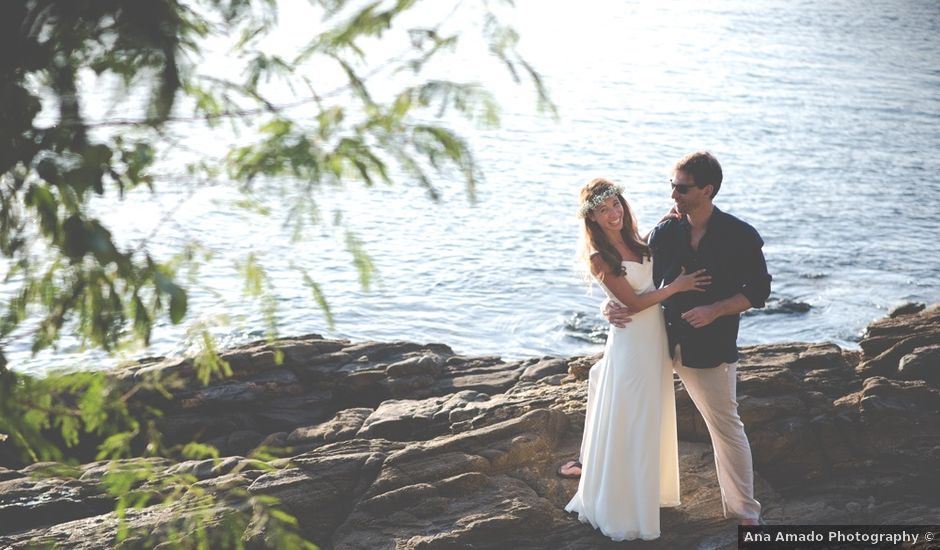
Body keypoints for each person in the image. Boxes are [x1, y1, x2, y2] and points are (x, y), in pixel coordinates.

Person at [604, 151, 772, 526]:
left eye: (682, 188)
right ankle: (611, 484)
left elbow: (759, 290)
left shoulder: (740, 235)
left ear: (707, 190)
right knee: (625, 406)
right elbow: (632, 275)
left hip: (710, 348)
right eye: (672, 186)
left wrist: (715, 310)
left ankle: (746, 515)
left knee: (726, 427)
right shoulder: (666, 231)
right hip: (656, 340)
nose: (673, 195)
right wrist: (610, 306)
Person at [563, 178, 711, 541]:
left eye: (615, 205)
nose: (613, 213)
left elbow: (646, 270)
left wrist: (674, 213)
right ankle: (623, 504)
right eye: (603, 210)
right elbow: (632, 303)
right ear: (592, 219)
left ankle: (647, 493)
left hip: (654, 340)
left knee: (649, 415)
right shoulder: (600, 258)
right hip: (631, 343)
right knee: (633, 416)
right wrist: (678, 286)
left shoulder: (638, 241)